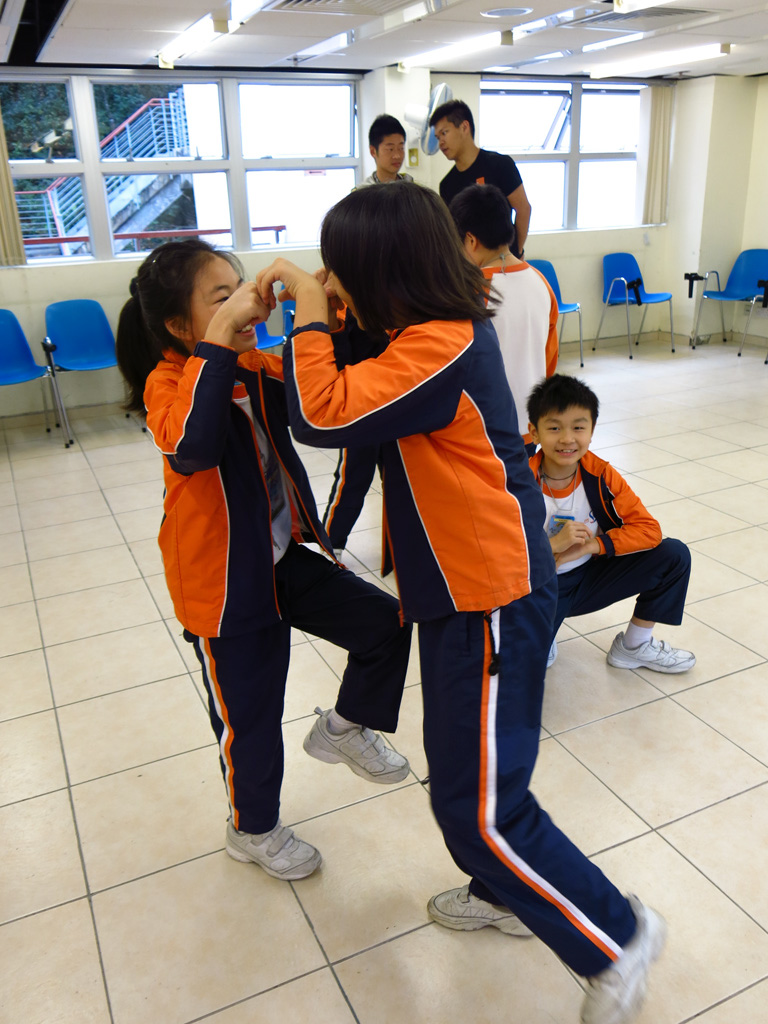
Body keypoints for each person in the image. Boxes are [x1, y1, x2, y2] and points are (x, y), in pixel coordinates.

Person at [247, 183, 666, 1024]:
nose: (333, 281)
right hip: (460, 595)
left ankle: (618, 938)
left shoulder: (443, 342)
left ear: (380, 270)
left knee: (478, 811)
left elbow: (323, 413)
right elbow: (345, 385)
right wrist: (327, 314)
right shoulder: (421, 333)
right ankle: (504, 893)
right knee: (471, 782)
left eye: (342, 268)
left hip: (490, 598)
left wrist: (311, 315)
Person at [114, 239, 412, 883]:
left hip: (281, 560)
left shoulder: (253, 367)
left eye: (244, 286)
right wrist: (219, 342)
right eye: (223, 297)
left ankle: (344, 727)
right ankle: (252, 830)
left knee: (386, 623)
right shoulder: (169, 385)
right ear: (180, 325)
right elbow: (191, 445)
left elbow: (323, 380)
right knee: (251, 719)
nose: (250, 301)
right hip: (224, 583)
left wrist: (324, 303)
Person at [527, 373, 696, 673]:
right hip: (536, 584)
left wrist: (592, 546)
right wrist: (551, 546)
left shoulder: (600, 475)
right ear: (534, 433)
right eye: (554, 428)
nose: (567, 439)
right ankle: (543, 633)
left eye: (578, 427)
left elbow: (649, 530)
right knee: (523, 667)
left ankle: (633, 646)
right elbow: (494, 550)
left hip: (586, 576)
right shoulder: (518, 481)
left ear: (591, 431)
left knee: (673, 555)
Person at [449, 183, 558, 453]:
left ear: (470, 240)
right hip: (530, 426)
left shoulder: (471, 291)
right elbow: (549, 358)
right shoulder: (541, 282)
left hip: (487, 430)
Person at [429, 98, 531, 259]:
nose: (441, 142)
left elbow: (523, 209)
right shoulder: (447, 184)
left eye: (444, 133)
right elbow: (452, 232)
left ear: (464, 127)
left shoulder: (500, 165)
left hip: (504, 262)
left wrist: (517, 253)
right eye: (437, 137)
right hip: (470, 267)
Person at [359, 113, 414, 186]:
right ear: (373, 151)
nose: (397, 156)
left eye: (401, 148)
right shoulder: (365, 190)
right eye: (390, 149)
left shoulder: (410, 186)